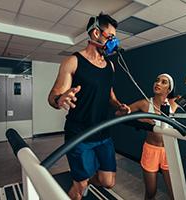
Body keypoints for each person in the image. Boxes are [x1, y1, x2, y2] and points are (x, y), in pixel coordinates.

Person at [48, 12, 130, 200]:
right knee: (80, 188)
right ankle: (80, 183)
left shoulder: (110, 66)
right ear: (95, 33)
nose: (113, 42)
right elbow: (52, 96)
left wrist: (118, 105)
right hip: (79, 134)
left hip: (102, 133)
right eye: (110, 37)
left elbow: (108, 93)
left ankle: (83, 179)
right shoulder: (73, 61)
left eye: (115, 38)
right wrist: (60, 99)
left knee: (108, 182)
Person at [116, 74, 186, 200]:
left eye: (163, 82)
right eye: (157, 80)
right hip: (151, 150)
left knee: (175, 193)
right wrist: (140, 117)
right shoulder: (144, 103)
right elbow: (118, 114)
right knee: (151, 192)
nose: (158, 83)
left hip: (169, 150)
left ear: (169, 88)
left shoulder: (175, 101)